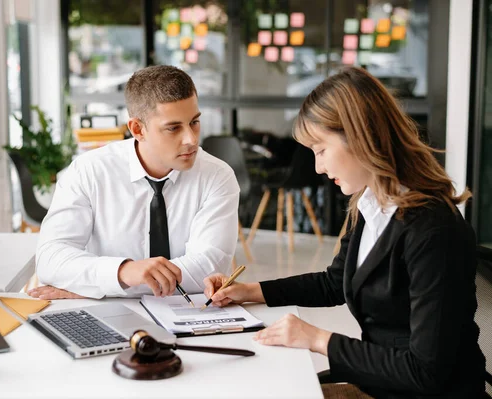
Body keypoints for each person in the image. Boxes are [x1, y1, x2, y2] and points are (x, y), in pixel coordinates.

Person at [203, 67, 486, 398]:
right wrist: (249, 291)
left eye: (320, 150)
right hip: (382, 384)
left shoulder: (433, 230)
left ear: (360, 136)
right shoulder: (370, 205)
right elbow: (334, 283)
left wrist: (317, 339)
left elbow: (425, 372)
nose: (318, 168)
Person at [30, 65, 239, 301]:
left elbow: (208, 269)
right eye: (173, 128)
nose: (191, 139)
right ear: (138, 129)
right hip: (107, 317)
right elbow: (50, 260)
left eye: (194, 122)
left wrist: (94, 285)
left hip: (190, 315)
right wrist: (124, 271)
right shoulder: (88, 171)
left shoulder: (218, 176)